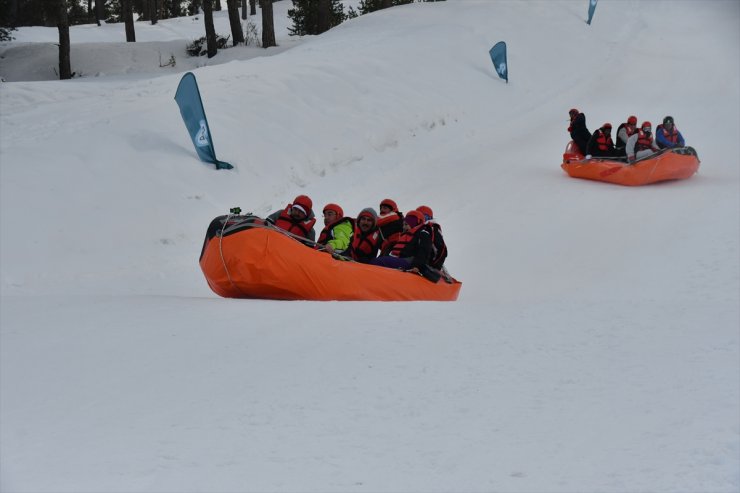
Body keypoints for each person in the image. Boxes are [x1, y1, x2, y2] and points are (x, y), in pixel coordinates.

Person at [371, 210, 433, 275]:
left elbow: (424, 251)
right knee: (380, 260)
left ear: (413, 223)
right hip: (398, 259)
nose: (403, 227)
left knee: (379, 261)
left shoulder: (423, 234)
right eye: (403, 225)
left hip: (409, 261)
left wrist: (417, 266)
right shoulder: (406, 235)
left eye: (406, 224)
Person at [416, 205, 447, 270]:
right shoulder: (413, 228)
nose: (423, 219)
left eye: (425, 216)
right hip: (415, 261)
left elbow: (442, 249)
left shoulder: (432, 229)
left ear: (430, 218)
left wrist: (435, 266)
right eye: (420, 216)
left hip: (428, 264)